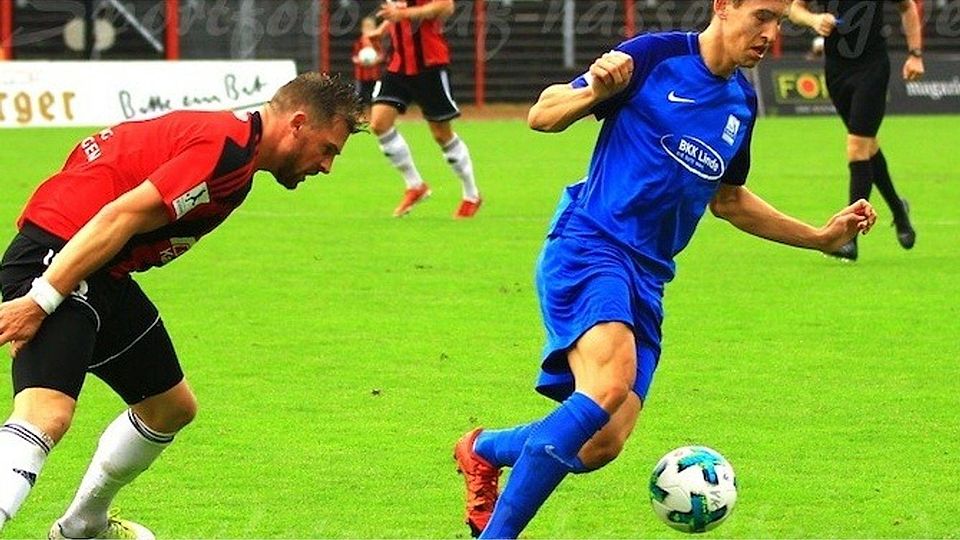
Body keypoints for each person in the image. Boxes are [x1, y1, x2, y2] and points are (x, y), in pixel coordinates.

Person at [452, 1, 877, 538]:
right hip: (591, 245)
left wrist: (819, 238)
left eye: (779, 23)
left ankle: (484, 448)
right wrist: (595, 92)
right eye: (762, 16)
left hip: (648, 279)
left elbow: (728, 201)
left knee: (600, 443)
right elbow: (542, 114)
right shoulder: (654, 57)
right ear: (724, 6)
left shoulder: (741, 103)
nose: (771, 34)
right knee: (609, 385)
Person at [0, 73, 364, 539]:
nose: (327, 166)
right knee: (46, 414)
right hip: (62, 257)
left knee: (170, 407)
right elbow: (120, 214)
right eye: (328, 149)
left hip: (101, 268)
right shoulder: (226, 149)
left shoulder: (238, 156)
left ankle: (82, 526)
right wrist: (40, 299)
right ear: (296, 124)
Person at [789, 0, 923, 261]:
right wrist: (814, 20)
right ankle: (898, 208)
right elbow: (794, 9)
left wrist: (915, 54)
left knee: (857, 146)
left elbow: (908, 7)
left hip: (872, 69)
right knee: (867, 146)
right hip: (836, 71)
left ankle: (848, 240)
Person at [371, 0, 482, 218]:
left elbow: (446, 6)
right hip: (398, 65)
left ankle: (471, 194)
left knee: (442, 134)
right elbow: (397, 12)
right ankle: (415, 185)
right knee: (379, 124)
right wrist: (383, 29)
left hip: (430, 64)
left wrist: (403, 14)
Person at [352, 16, 387, 107]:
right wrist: (360, 61)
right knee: (360, 95)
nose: (368, 30)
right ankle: (359, 114)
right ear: (362, 29)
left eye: (370, 28)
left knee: (373, 95)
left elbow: (382, 55)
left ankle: (372, 114)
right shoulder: (359, 42)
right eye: (366, 28)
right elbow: (354, 57)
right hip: (361, 75)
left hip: (374, 74)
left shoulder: (376, 42)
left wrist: (376, 60)